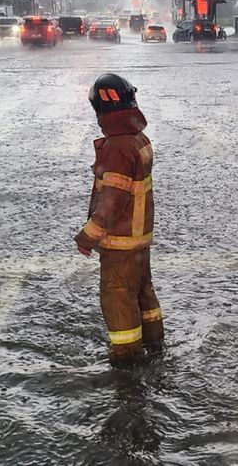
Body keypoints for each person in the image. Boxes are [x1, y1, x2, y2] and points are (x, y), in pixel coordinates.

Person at [75, 73, 164, 365]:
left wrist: (87, 235)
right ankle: (154, 342)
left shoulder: (117, 148)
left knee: (118, 297)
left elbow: (112, 202)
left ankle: (127, 361)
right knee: (142, 291)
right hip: (139, 239)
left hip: (120, 243)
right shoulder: (139, 139)